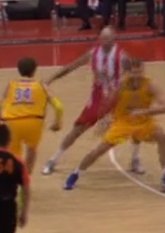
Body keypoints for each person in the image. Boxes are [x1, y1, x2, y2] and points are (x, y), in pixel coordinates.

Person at [63, 57, 165, 193]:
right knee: (99, 150)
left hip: (144, 122)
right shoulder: (120, 85)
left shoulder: (150, 85)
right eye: (134, 73)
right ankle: (76, 173)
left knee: (162, 136)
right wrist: (103, 120)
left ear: (143, 71)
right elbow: (107, 103)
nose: (137, 76)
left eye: (140, 72)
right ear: (128, 72)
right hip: (122, 123)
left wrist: (145, 111)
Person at [43, 27, 139, 175]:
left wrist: (134, 98)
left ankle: (135, 159)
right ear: (100, 38)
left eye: (108, 38)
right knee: (77, 129)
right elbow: (70, 67)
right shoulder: (92, 54)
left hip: (117, 97)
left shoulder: (123, 57)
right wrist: (51, 78)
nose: (105, 41)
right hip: (98, 98)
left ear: (114, 38)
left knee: (135, 123)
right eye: (103, 38)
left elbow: (132, 79)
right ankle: (53, 160)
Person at [0, 57, 64, 176]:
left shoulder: (11, 85)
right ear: (34, 70)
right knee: (31, 151)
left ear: (18, 70)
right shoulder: (42, 85)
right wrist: (57, 123)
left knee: (13, 156)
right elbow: (59, 106)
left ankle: (11, 180)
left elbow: (0, 109)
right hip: (34, 122)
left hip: (12, 122)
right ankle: (25, 181)